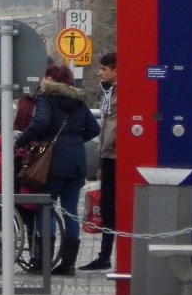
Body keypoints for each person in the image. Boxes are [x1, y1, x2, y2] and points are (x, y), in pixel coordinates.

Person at [14, 64, 100, 276]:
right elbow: (94, 128)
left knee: (47, 208)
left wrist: (20, 141)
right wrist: (75, 141)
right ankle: (68, 264)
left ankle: (44, 262)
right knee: (71, 212)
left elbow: (40, 123)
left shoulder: (46, 98)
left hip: (51, 162)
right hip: (76, 162)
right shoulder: (78, 100)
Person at [80, 52, 117, 272]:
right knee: (108, 207)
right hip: (109, 156)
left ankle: (106, 255)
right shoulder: (109, 92)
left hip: (116, 155)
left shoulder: (123, 92)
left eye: (104, 69)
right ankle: (104, 255)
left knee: (112, 207)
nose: (100, 72)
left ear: (116, 70)